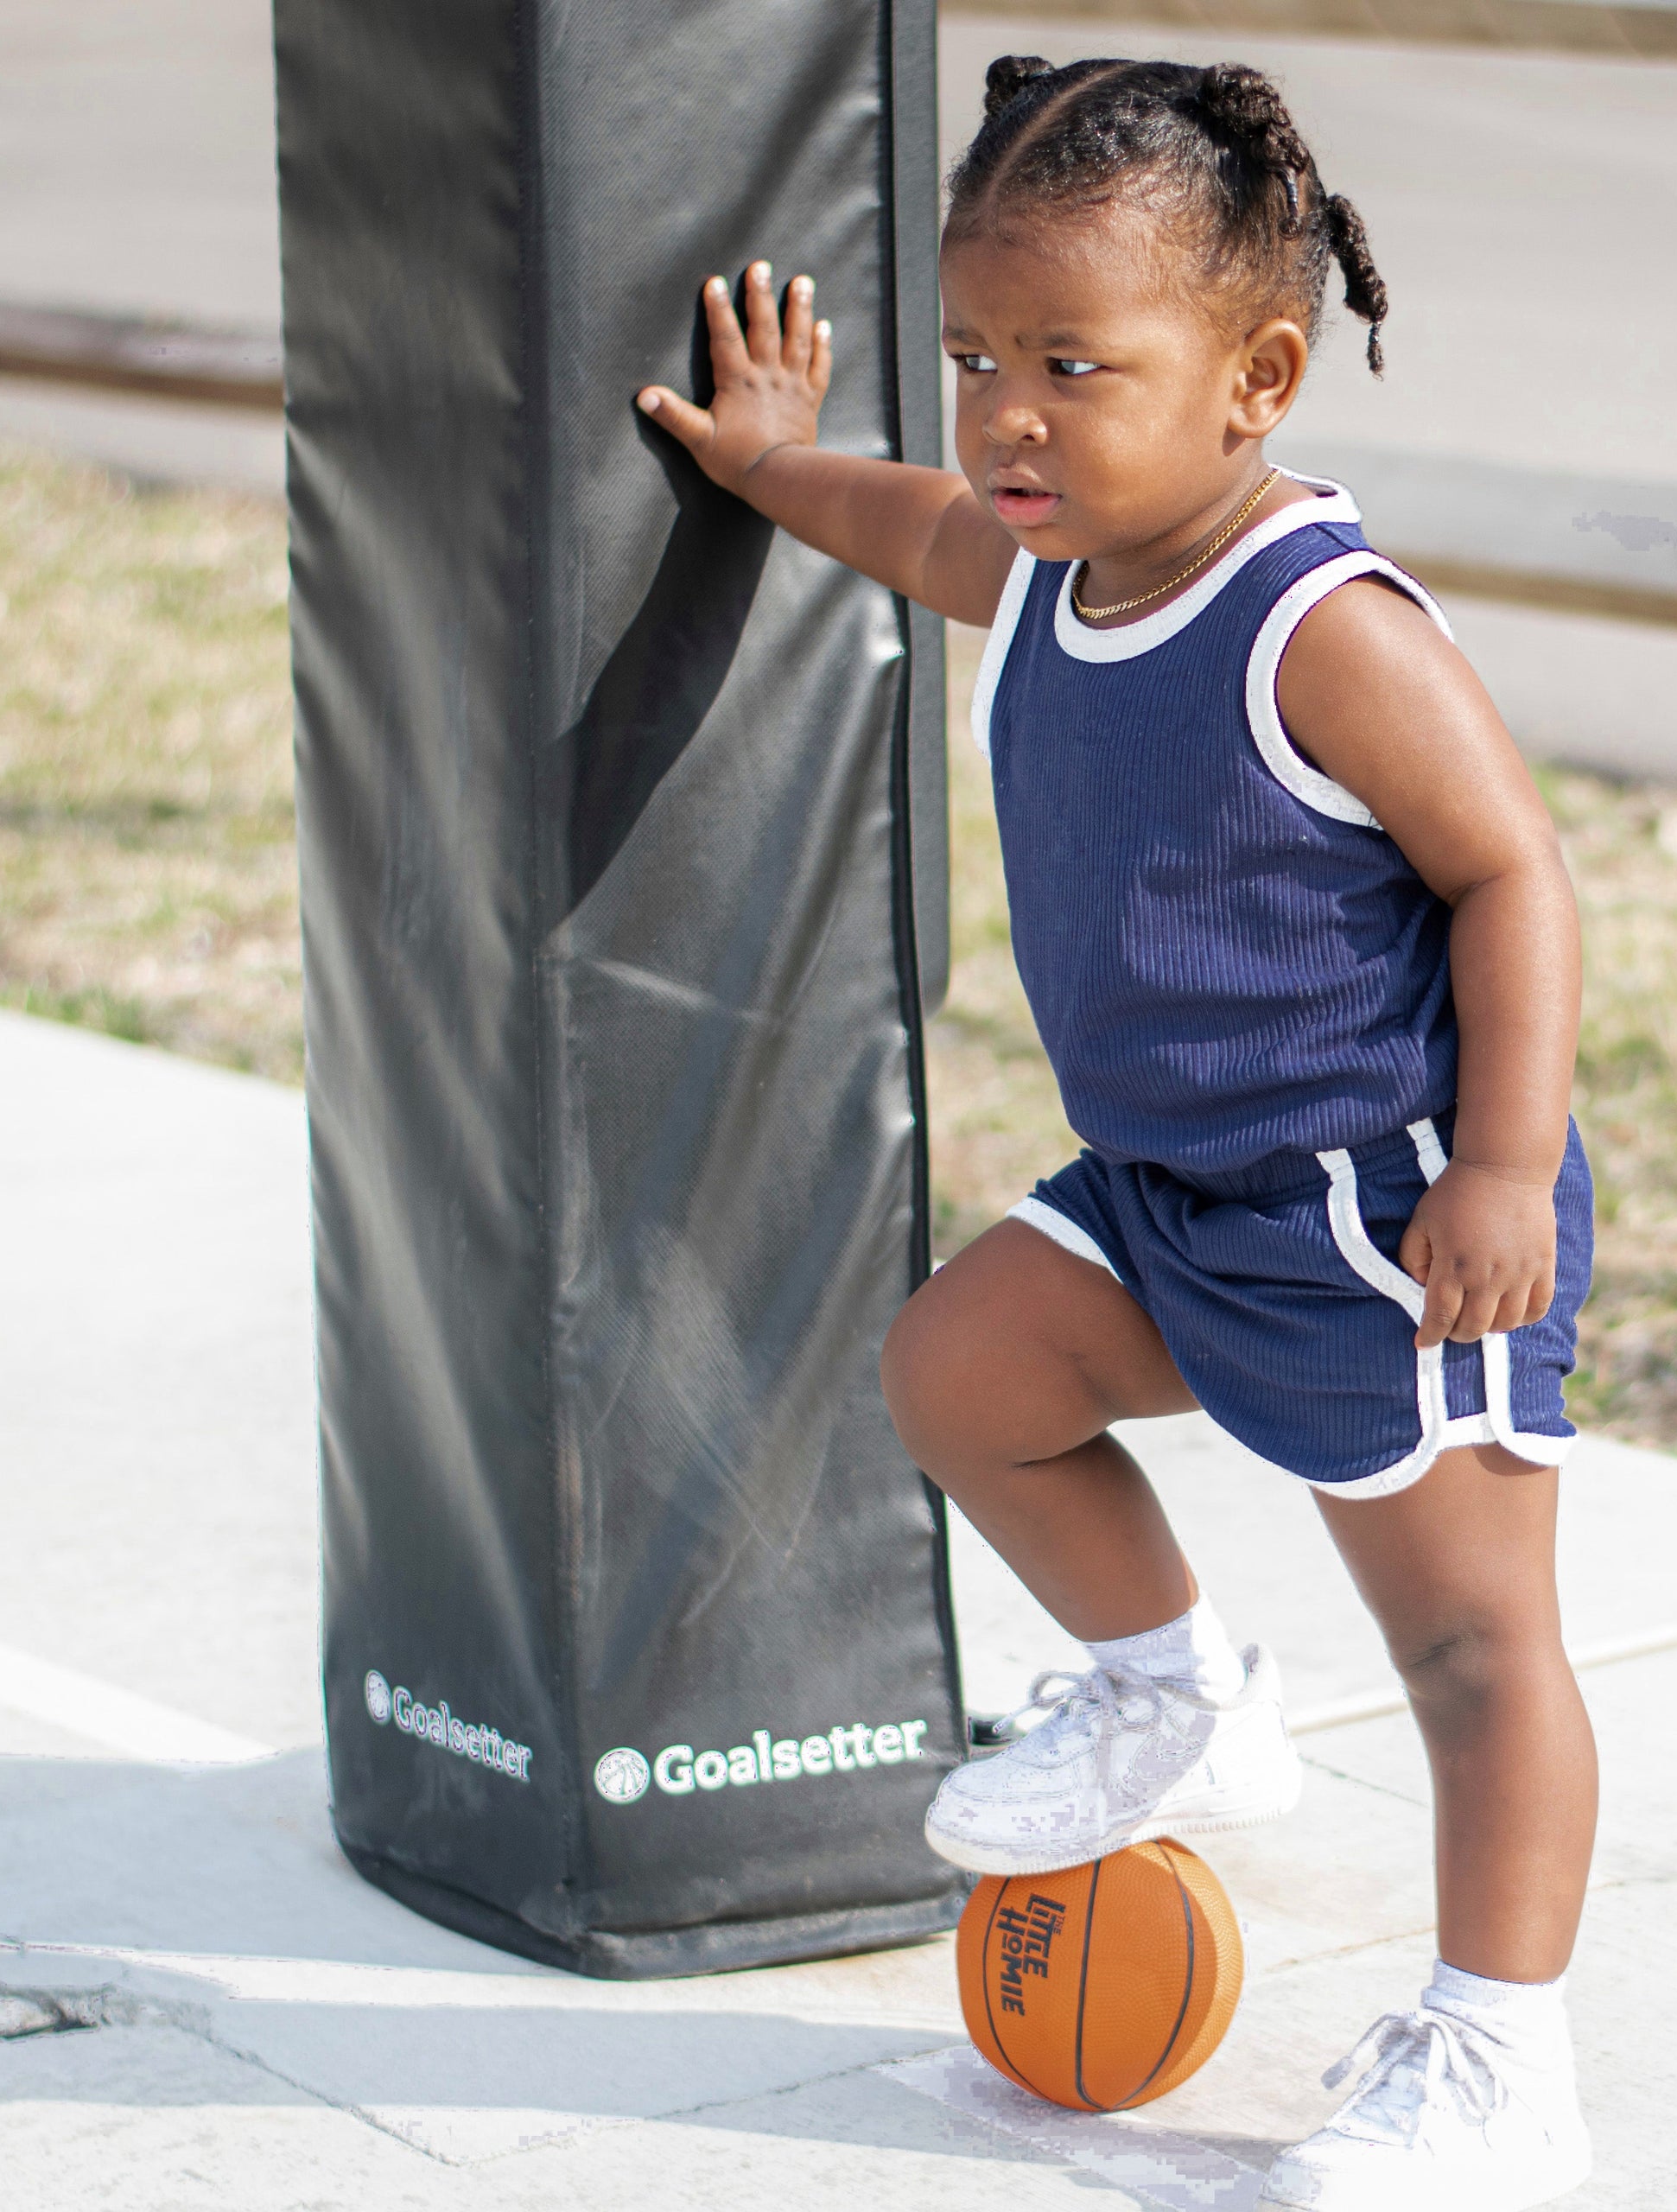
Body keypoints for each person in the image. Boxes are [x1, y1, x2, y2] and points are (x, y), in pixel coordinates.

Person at [639, 54, 1596, 2212]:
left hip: (1379, 1210)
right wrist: (784, 470)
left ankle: (1503, 2060)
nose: (1009, 416)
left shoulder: (1315, 622)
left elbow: (1514, 872)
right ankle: (1174, 1689)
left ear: (1257, 375)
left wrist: (1506, 1169)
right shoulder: (1062, 565)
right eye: (980, 356)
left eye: (1077, 365)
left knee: (1470, 1647)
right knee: (958, 1369)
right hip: (1168, 1189)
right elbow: (919, 530)